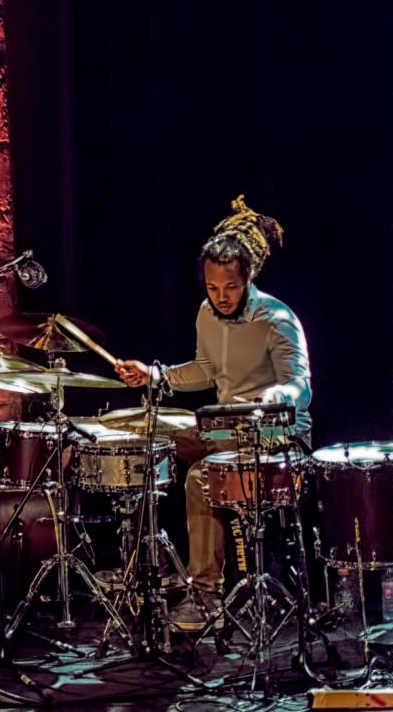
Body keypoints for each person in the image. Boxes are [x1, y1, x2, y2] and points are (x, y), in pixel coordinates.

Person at [114, 196, 310, 632]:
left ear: (249, 278)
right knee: (135, 433)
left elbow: (302, 385)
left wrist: (271, 397)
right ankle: (143, 572)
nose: (221, 297)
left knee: (200, 478)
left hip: (273, 436)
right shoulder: (206, 313)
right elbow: (206, 369)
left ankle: (204, 596)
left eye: (231, 288)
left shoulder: (277, 319)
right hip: (222, 428)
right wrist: (153, 375)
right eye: (212, 288)